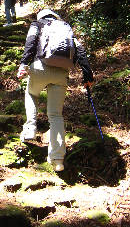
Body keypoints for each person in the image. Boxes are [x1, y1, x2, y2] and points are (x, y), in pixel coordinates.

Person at [17, 9, 94, 172]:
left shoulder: (37, 24)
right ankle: (58, 159)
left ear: (41, 17)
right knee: (56, 115)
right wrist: (87, 76)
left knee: (31, 93)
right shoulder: (66, 27)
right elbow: (80, 52)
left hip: (39, 67)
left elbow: (30, 43)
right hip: (61, 73)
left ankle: (30, 128)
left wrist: (24, 64)